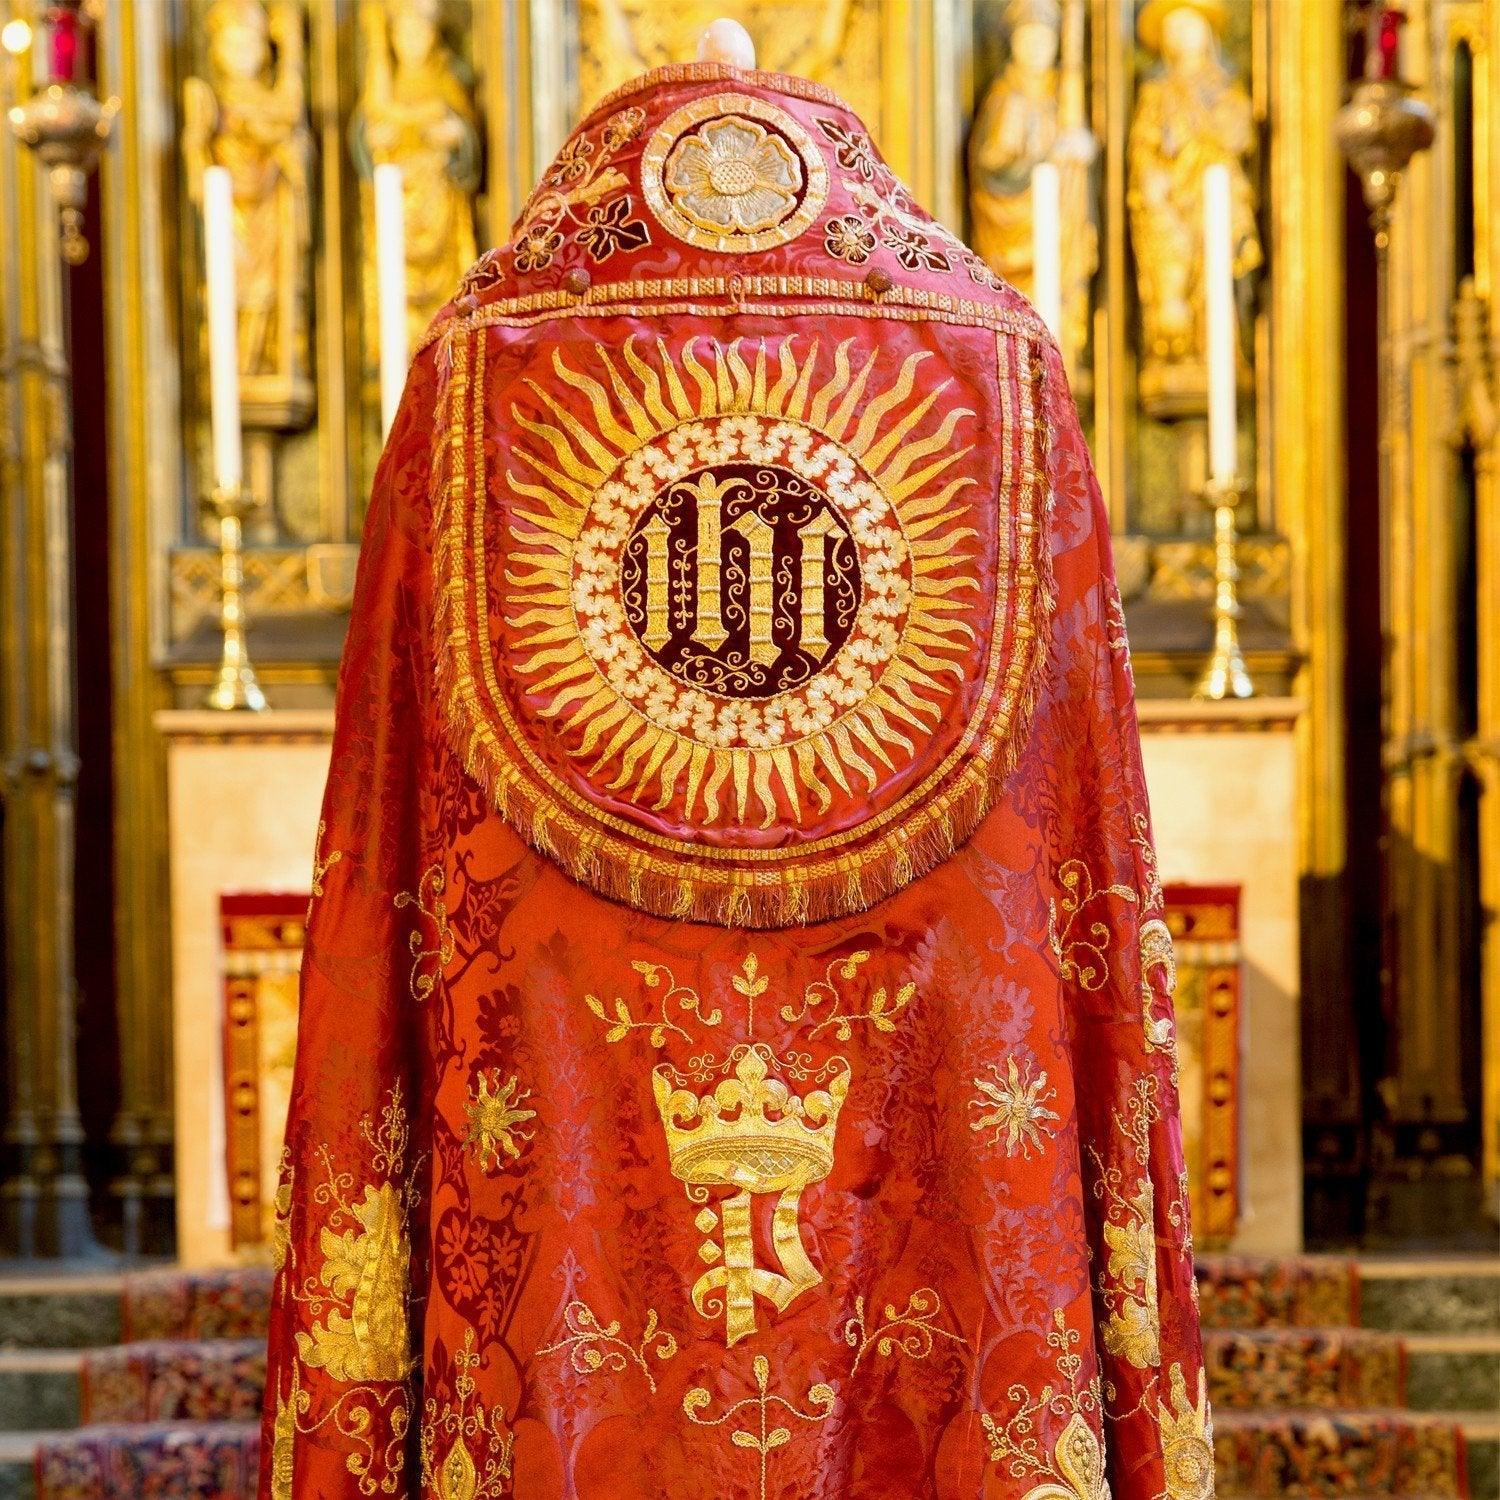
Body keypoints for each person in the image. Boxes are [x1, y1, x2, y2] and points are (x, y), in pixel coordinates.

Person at [259, 42, 1212, 1500]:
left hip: (556, 1015)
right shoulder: (997, 350)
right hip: (943, 1030)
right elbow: (1083, 815)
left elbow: (390, 823)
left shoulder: (478, 357)